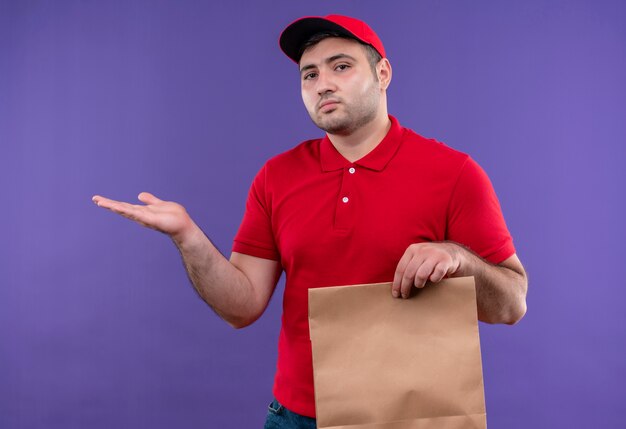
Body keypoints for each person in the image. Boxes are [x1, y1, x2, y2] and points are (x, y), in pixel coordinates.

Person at [92, 14, 528, 429]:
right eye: (310, 74)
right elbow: (241, 308)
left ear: (382, 74)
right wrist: (188, 236)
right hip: (297, 418)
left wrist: (457, 258)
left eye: (341, 66)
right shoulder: (277, 177)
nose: (323, 85)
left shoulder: (453, 173)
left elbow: (511, 304)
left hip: (416, 415)